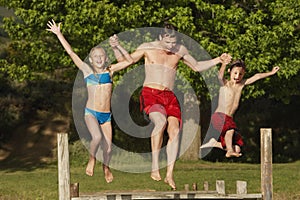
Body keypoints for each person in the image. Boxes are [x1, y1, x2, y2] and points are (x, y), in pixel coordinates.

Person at [112, 23, 232, 190]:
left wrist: (218, 60)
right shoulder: (147, 47)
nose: (170, 47)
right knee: (160, 122)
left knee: (175, 131)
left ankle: (169, 174)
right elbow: (127, 61)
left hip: (169, 96)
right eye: (167, 43)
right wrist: (115, 51)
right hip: (151, 93)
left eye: (173, 43)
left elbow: (197, 67)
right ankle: (154, 166)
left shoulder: (180, 50)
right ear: (160, 37)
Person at [46, 19, 133, 183]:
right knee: (97, 138)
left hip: (106, 115)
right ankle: (92, 159)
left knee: (108, 149)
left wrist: (117, 46)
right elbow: (71, 53)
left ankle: (106, 167)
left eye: (101, 56)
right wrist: (59, 34)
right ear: (91, 60)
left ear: (106, 58)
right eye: (95, 56)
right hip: (91, 113)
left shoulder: (110, 71)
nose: (99, 58)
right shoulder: (87, 71)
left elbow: (129, 61)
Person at [200, 59, 280, 158]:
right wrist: (224, 64)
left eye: (240, 74)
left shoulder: (241, 85)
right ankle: (229, 150)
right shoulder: (225, 84)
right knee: (230, 130)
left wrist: (271, 72)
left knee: (237, 148)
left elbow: (257, 76)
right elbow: (220, 77)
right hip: (219, 116)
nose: (237, 76)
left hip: (228, 119)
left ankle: (215, 143)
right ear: (230, 72)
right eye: (235, 73)